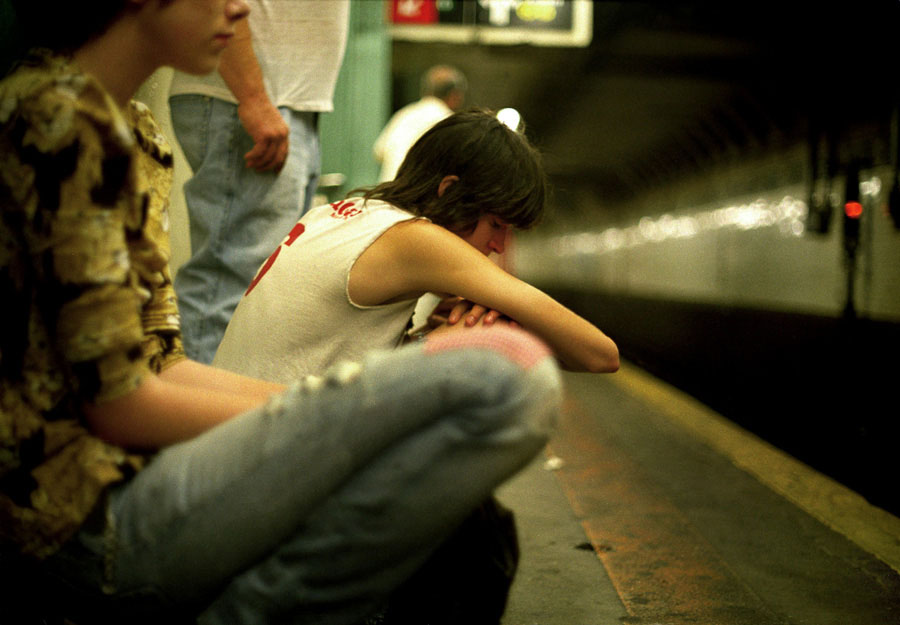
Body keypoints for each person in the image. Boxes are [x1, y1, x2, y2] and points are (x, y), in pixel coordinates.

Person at [0, 3, 563, 625]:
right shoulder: (58, 121)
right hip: (77, 518)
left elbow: (161, 364)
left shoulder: (132, 130)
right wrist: (340, 414)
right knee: (507, 375)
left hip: (127, 476)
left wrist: (324, 414)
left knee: (465, 507)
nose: (241, 6)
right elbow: (118, 404)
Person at [215, 109, 620, 383]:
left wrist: (427, 335)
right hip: (262, 457)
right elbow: (600, 354)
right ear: (450, 193)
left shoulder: (340, 214)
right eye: (495, 224)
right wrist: (490, 328)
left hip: (229, 434)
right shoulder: (415, 238)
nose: (497, 246)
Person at [169, 0, 350, 364]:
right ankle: (200, 418)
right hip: (248, 98)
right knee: (228, 286)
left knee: (250, 289)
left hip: (284, 101)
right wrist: (252, 97)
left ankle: (214, 411)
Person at [373, 64, 467, 183]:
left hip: (385, 191)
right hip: (415, 197)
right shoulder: (448, 121)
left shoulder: (404, 114)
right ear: (455, 95)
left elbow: (379, 152)